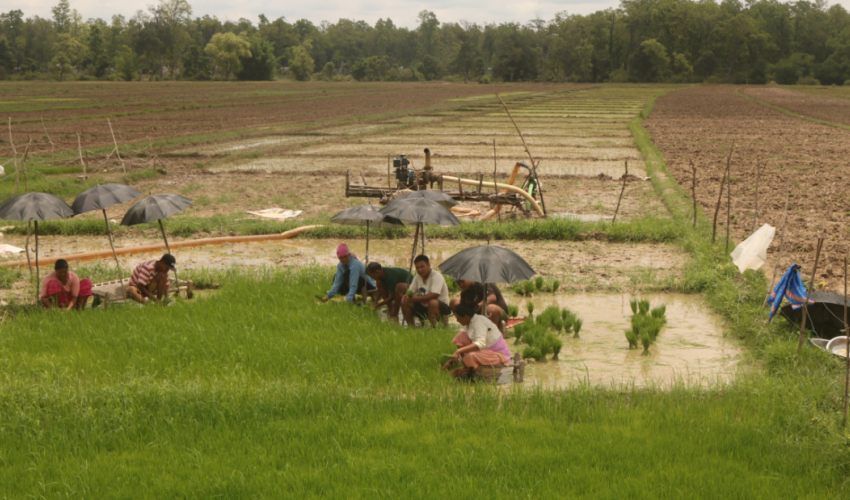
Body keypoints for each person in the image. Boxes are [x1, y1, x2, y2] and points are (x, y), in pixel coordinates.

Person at [442, 303, 513, 378]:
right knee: (460, 336)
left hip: (497, 354)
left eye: (458, 318)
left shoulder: (479, 322)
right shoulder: (470, 322)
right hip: (485, 349)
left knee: (470, 356)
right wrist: (450, 362)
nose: (457, 321)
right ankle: (466, 367)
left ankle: (470, 369)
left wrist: (458, 351)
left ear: (465, 317)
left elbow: (480, 344)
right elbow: (464, 339)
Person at [401, 254, 451, 328]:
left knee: (433, 302)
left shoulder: (436, 276)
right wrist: (406, 296)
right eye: (417, 268)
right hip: (425, 306)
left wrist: (416, 299)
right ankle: (411, 328)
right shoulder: (417, 277)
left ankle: (433, 329)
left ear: (428, 265)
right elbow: (411, 291)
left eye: (422, 267)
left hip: (441, 307)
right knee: (405, 302)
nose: (420, 270)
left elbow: (434, 295)